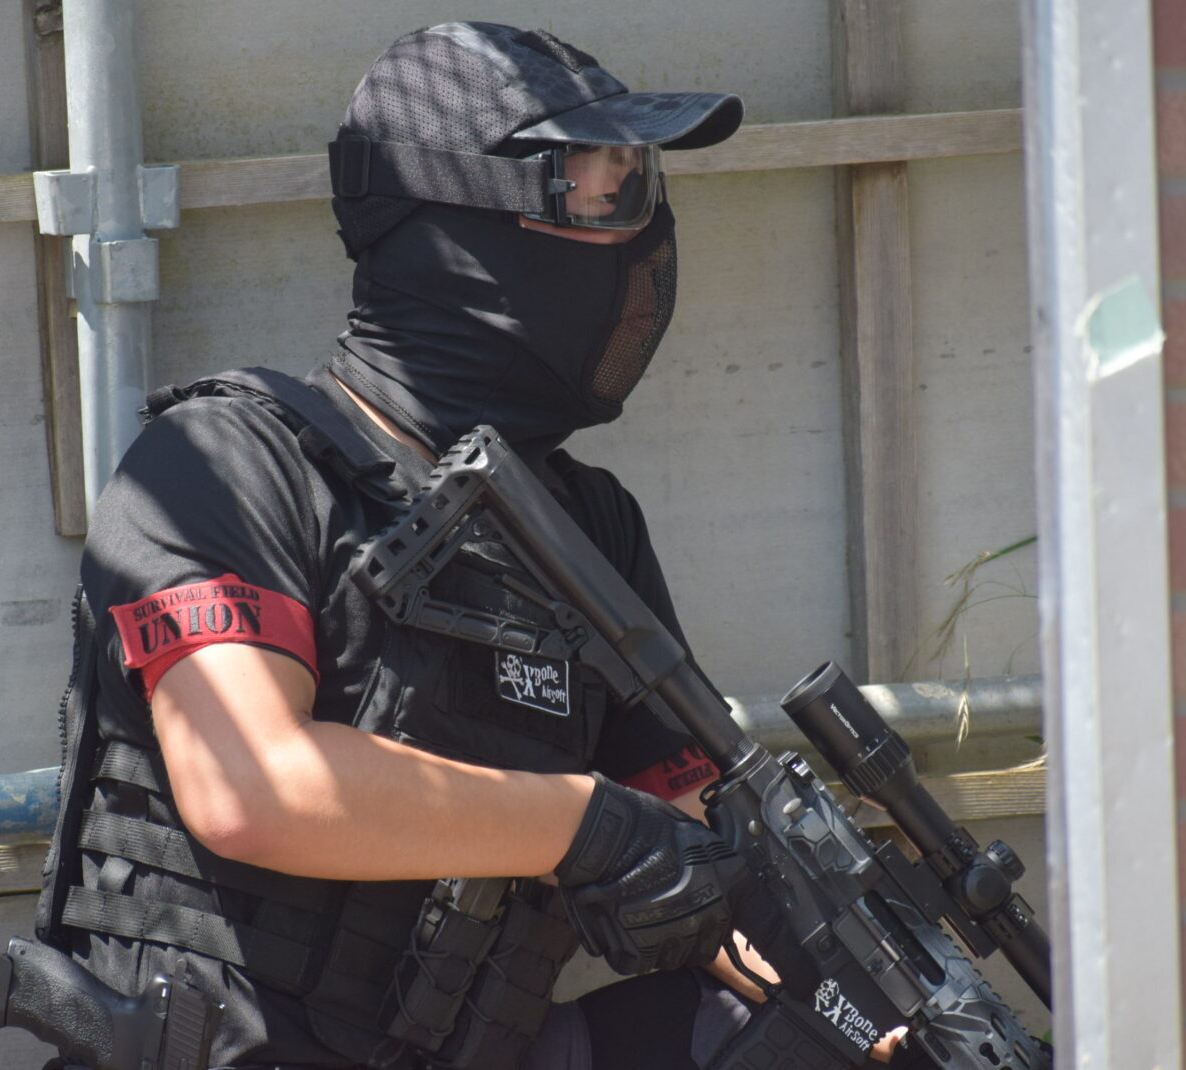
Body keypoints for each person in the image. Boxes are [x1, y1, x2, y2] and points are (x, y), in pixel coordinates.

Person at [54, 21, 806, 1070]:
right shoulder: (228, 460)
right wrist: (584, 823)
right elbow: (250, 786)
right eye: (591, 192)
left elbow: (697, 848)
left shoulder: (587, 527)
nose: (638, 239)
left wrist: (847, 986)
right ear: (453, 225)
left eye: (637, 183)